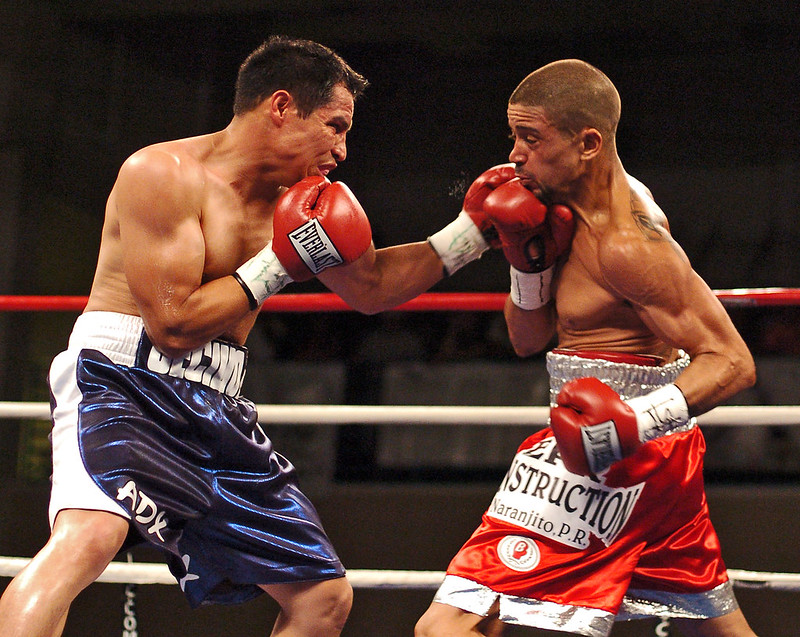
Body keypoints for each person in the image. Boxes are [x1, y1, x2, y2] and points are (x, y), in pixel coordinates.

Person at [0, 36, 501, 637]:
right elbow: (174, 322)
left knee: (322, 597)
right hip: (124, 383)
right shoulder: (163, 173)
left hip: (217, 403)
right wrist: (281, 263)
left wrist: (473, 233)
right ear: (282, 106)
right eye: (335, 126)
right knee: (89, 538)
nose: (342, 151)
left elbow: (369, 287)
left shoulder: (300, 207)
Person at [415, 60, 759, 637]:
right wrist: (527, 262)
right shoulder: (558, 210)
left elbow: (733, 362)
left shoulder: (629, 243)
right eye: (513, 137)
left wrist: (627, 422)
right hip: (624, 442)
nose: (516, 155)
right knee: (715, 626)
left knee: (445, 626)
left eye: (532, 138)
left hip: (616, 449)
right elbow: (527, 340)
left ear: (589, 142)